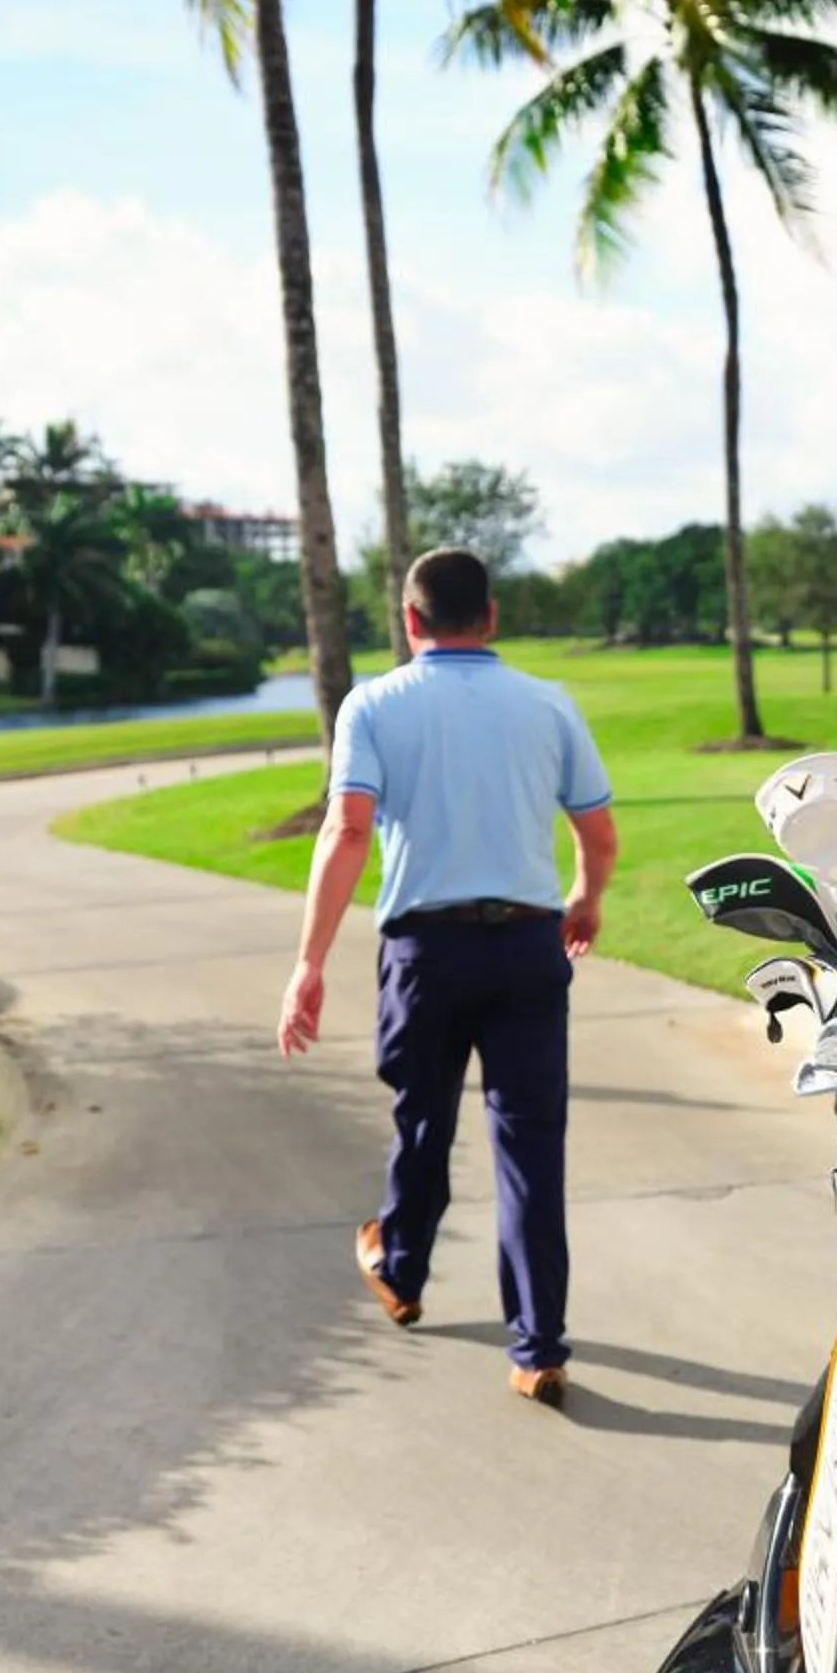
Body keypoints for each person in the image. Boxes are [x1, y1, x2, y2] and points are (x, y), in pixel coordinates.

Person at [275, 545, 618, 1407]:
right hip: (529, 949)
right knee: (531, 1151)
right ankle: (538, 1350)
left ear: (411, 620)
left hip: (426, 955)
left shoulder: (374, 705)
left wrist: (308, 963)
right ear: (491, 617)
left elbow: (348, 833)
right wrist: (584, 897)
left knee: (423, 1119)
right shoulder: (549, 703)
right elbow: (597, 831)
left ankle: (402, 1268)